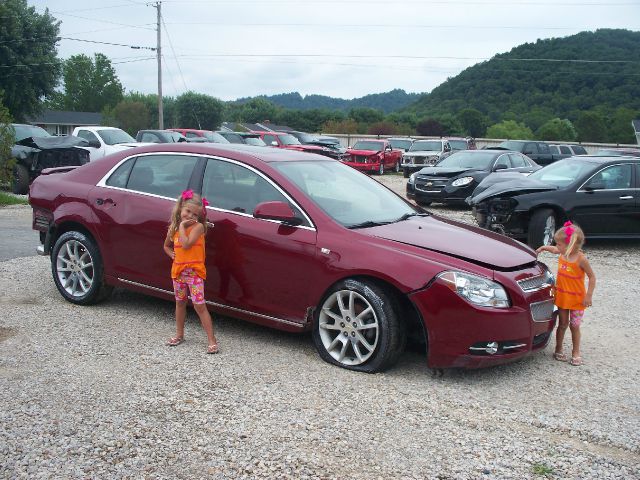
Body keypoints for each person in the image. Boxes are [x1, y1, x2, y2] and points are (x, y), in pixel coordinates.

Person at [163, 189, 219, 354]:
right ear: (180, 208)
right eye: (187, 211)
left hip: (194, 274)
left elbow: (186, 244)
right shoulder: (173, 229)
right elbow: (166, 245)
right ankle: (179, 334)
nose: (190, 216)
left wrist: (181, 226)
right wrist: (171, 253)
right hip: (178, 273)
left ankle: (211, 340)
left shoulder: (198, 227)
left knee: (199, 306)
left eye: (194, 214)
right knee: (180, 303)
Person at [536, 221, 595, 366]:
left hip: (577, 299)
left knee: (574, 326)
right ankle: (558, 348)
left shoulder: (581, 259)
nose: (557, 247)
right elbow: (554, 249)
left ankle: (576, 352)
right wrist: (544, 248)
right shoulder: (562, 252)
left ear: (571, 245)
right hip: (563, 297)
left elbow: (592, 277)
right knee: (562, 324)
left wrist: (589, 295)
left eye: (559, 244)